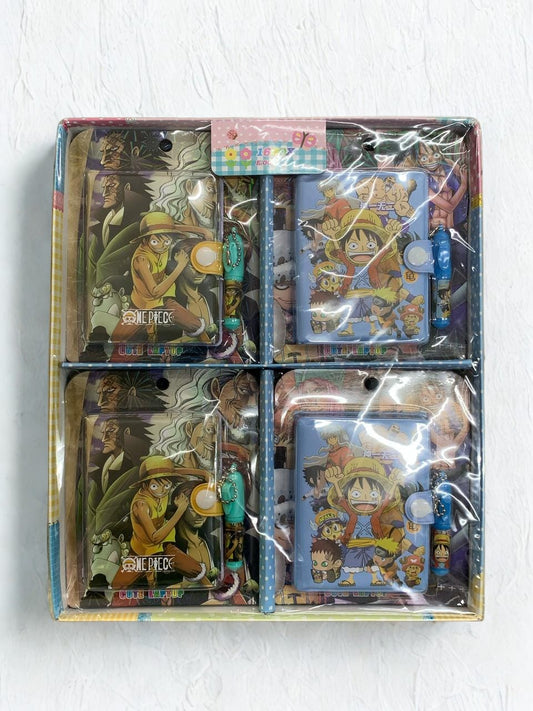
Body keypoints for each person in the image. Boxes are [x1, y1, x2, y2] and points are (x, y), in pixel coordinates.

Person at [111, 456, 211, 589]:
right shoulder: (141, 505)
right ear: (144, 485)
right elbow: (155, 538)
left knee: (193, 568)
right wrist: (180, 510)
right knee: (118, 585)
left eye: (167, 485)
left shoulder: (163, 487)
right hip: (142, 552)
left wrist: (204, 473)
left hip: (164, 546)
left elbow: (176, 472)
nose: (162, 490)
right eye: (155, 486)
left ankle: (213, 590)